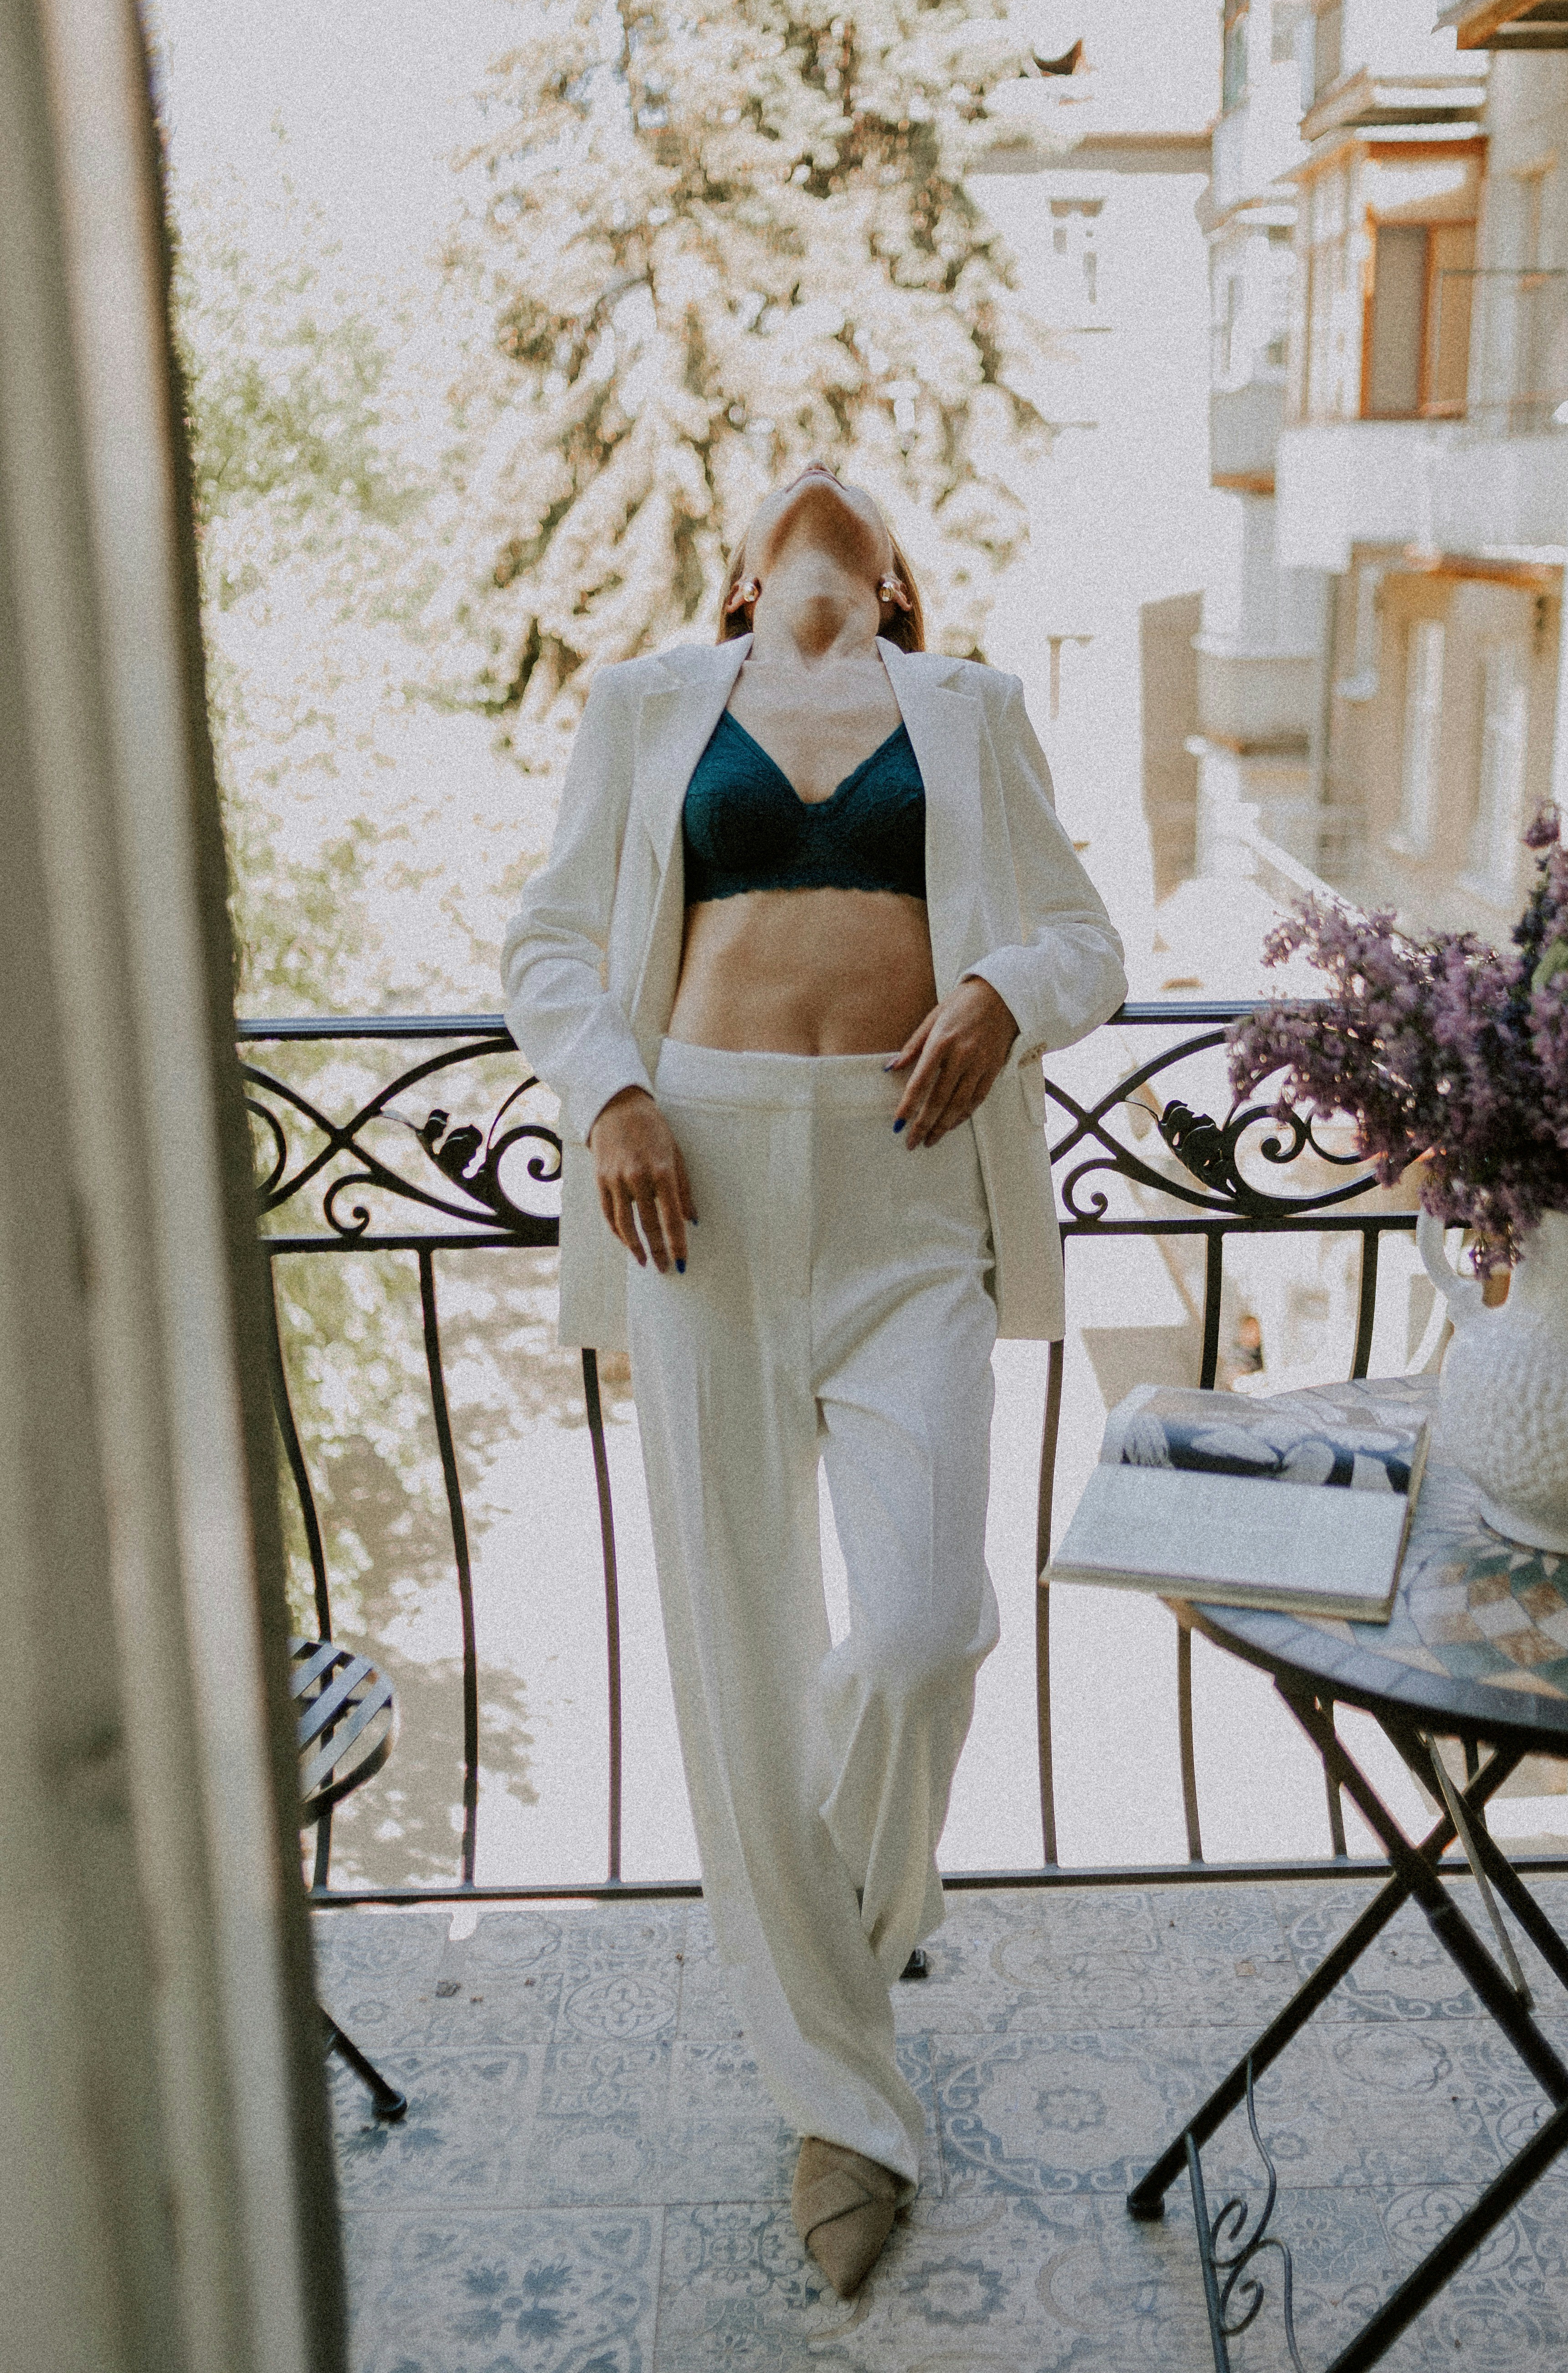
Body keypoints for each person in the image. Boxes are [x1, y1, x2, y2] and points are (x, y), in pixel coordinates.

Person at [502, 466, 1126, 2296]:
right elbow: (549, 942)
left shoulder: (975, 711)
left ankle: (832, 1949)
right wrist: (610, 1090)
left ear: (895, 578)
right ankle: (844, 2108)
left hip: (907, 1190)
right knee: (735, 1644)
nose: (822, 474)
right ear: (744, 576)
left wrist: (1007, 988)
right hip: (693, 1180)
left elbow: (1086, 938)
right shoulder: (644, 708)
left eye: (861, 504)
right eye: (790, 497)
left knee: (930, 1621)